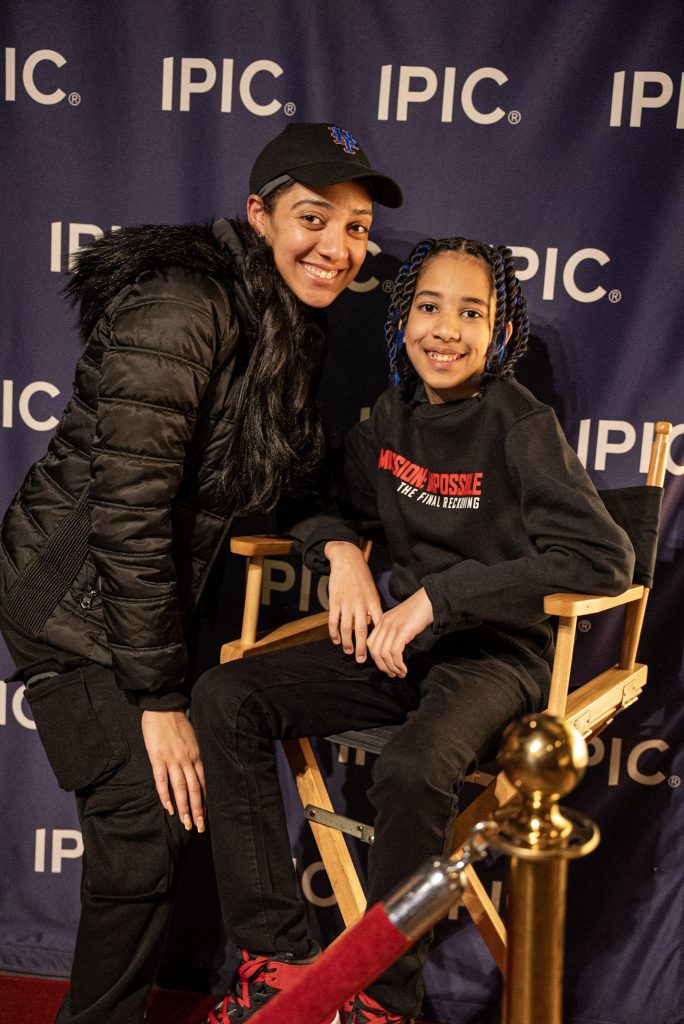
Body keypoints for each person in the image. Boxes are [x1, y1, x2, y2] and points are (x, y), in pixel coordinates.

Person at [0, 122, 402, 1024]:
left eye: (357, 229)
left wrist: (337, 546)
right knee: (143, 834)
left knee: (151, 839)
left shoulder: (287, 321)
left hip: (134, 605)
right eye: (313, 219)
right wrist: (157, 698)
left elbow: (293, 473)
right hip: (66, 600)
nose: (337, 247)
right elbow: (128, 510)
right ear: (260, 215)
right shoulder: (182, 304)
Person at [191, 235, 635, 1023]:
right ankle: (277, 963)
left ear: (501, 331)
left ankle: (382, 1002)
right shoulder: (392, 417)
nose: (446, 330)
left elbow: (602, 558)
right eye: (429, 307)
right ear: (401, 320)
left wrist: (440, 599)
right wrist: (340, 553)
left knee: (412, 767)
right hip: (402, 649)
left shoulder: (520, 425)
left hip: (496, 658)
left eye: (471, 313)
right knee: (227, 697)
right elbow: (313, 501)